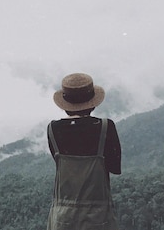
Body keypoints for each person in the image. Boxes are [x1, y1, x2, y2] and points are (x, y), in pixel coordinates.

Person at [46, 73, 121, 230]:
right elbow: (115, 167)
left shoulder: (53, 129)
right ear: (93, 103)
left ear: (65, 104)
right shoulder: (106, 127)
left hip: (63, 217)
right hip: (98, 216)